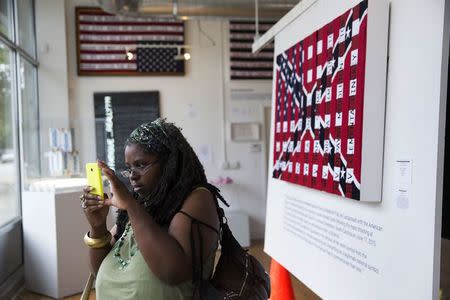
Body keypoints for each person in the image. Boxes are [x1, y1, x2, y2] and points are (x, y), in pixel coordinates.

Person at [79, 118, 228, 299]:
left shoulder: (197, 198)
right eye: (129, 168)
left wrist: (132, 206)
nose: (132, 176)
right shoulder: (140, 203)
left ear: (170, 162)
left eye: (141, 165)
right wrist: (97, 226)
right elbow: (99, 270)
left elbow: (172, 272)